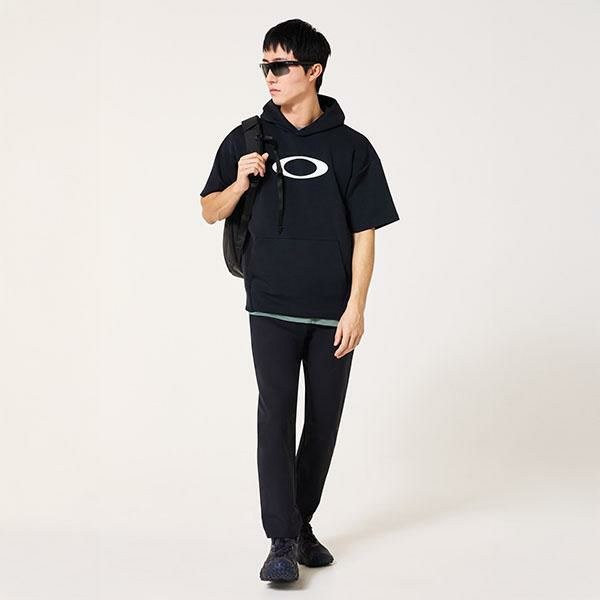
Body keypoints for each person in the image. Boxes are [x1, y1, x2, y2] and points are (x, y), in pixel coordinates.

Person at [199, 18, 400, 583]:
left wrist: (357, 306)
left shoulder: (352, 148)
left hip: (333, 310)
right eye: (265, 65)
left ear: (314, 70)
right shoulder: (246, 138)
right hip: (269, 305)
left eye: (281, 65)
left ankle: (301, 522)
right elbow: (209, 210)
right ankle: (282, 540)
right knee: (276, 417)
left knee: (324, 421)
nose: (270, 75)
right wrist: (240, 182)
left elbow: (365, 232)